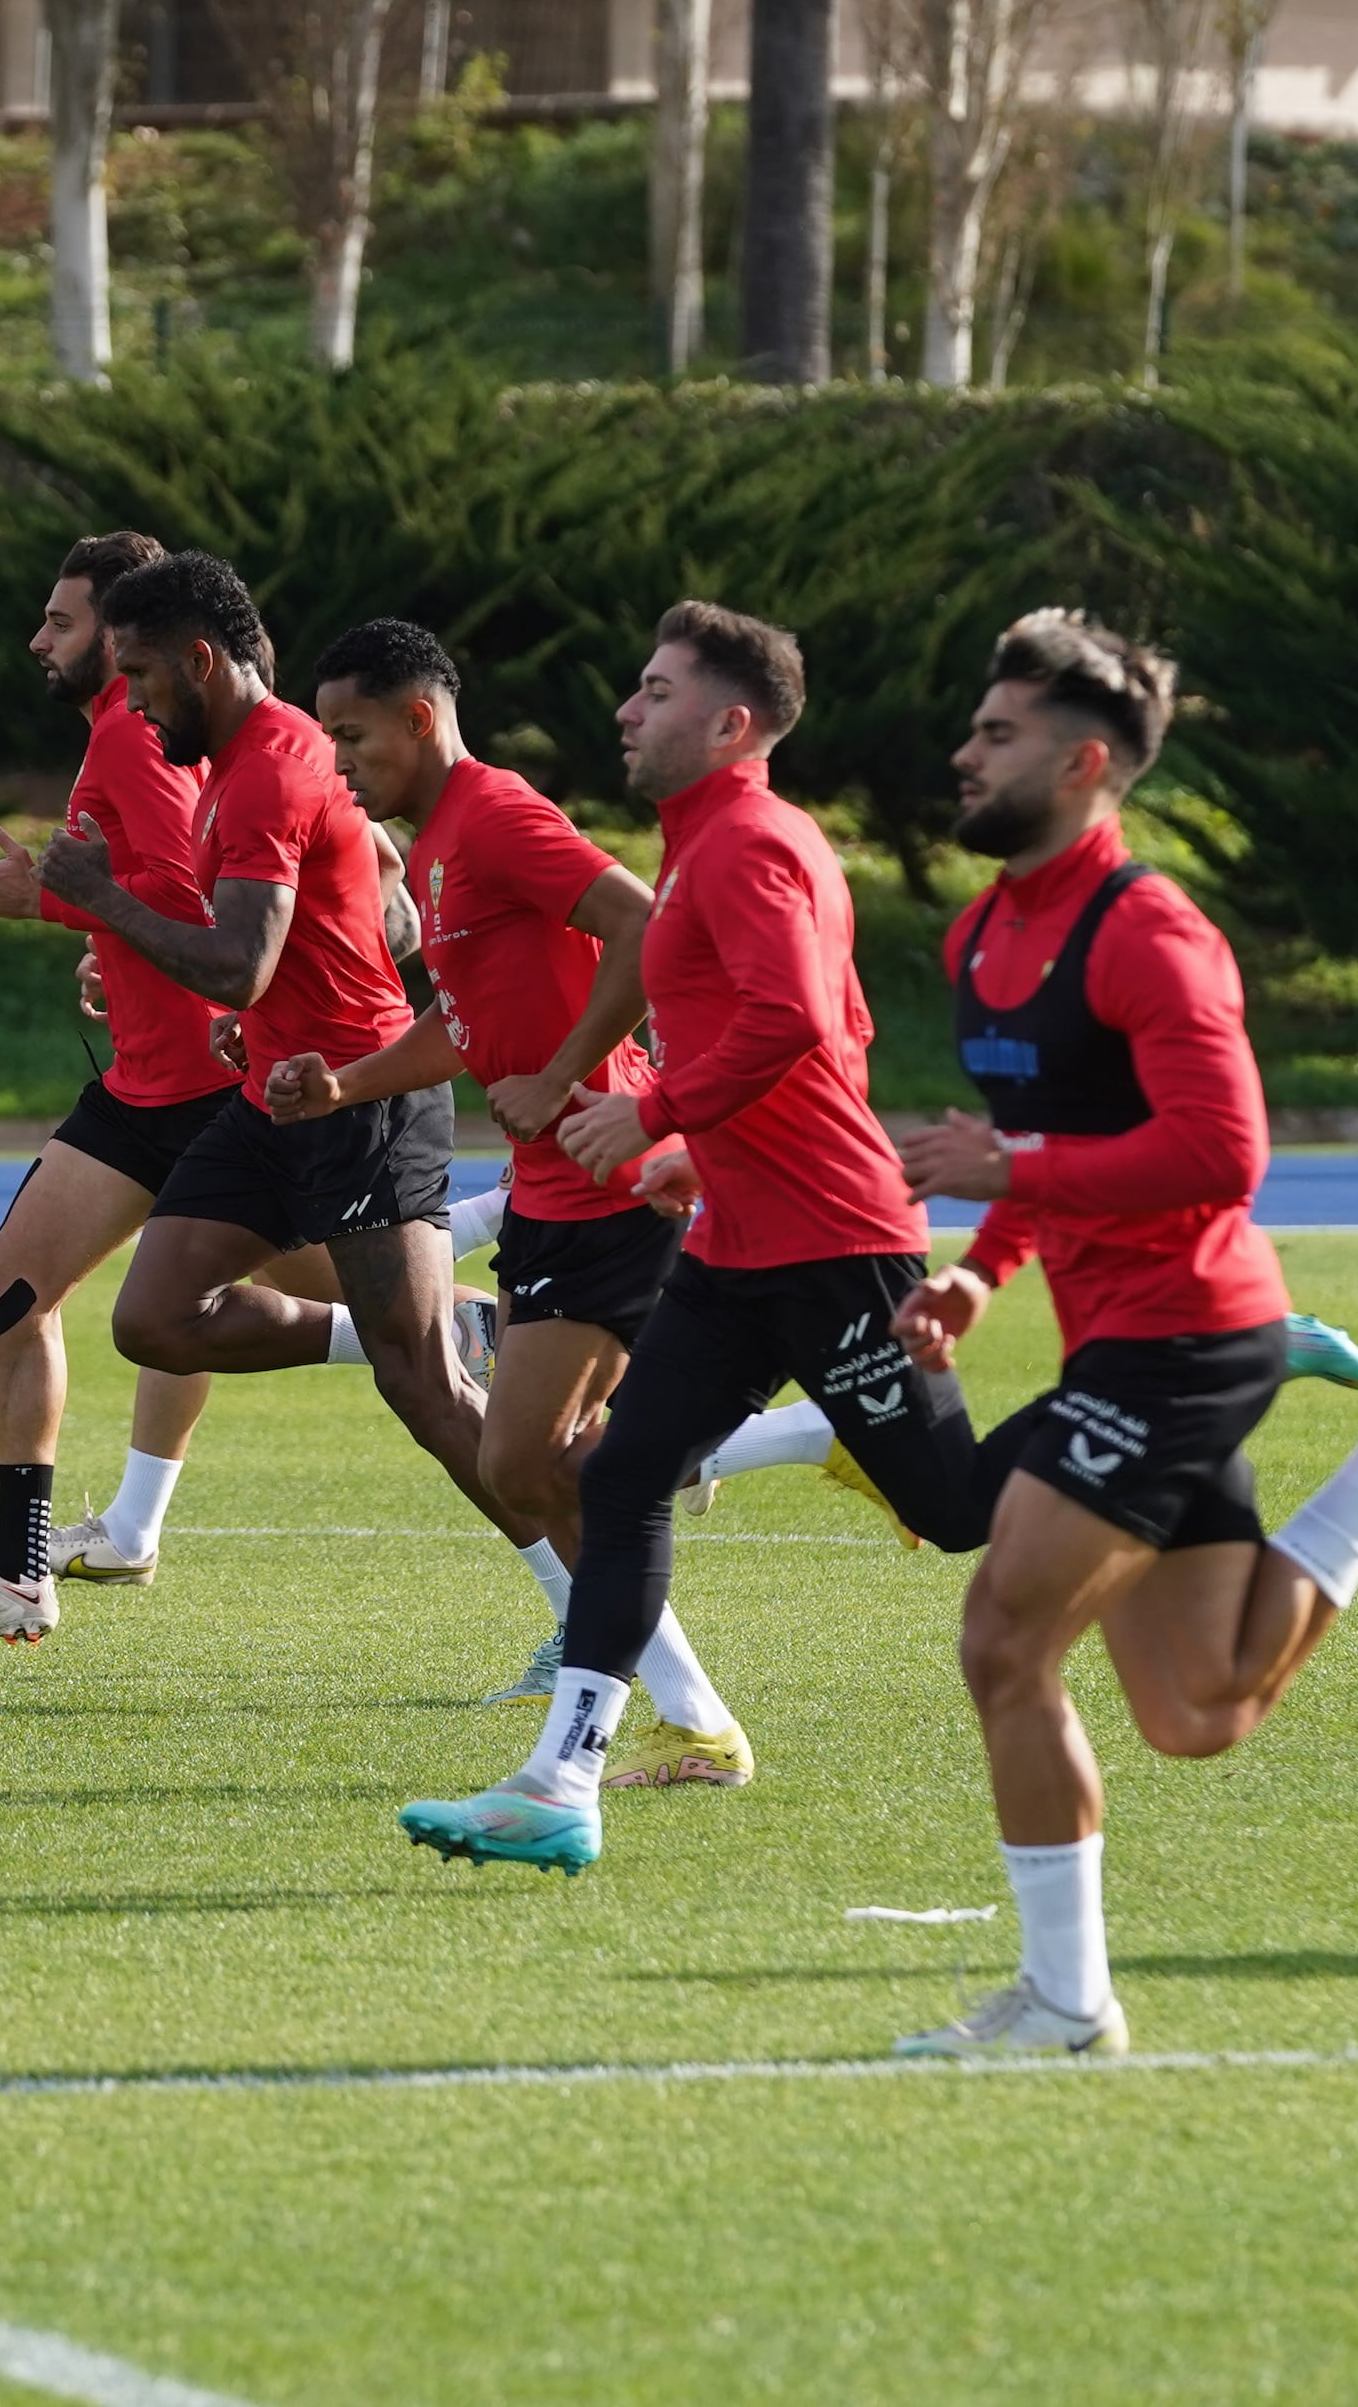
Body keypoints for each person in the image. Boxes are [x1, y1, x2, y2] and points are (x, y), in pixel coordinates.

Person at [879, 613, 1358, 2058]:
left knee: (1001, 1639)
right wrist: (985, 1271)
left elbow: (1222, 1151)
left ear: (1087, 764)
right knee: (1198, 1709)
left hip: (1192, 1338)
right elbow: (1041, 1136)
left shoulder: (1150, 931)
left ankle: (1067, 2005)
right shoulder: (980, 930)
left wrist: (1009, 1181)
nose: (966, 751)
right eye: (975, 726)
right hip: (1121, 1341)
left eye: (1000, 732)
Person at [394, 602, 990, 1873]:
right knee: (613, 1478)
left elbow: (791, 1020)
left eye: (656, 692)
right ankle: (563, 1782)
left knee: (958, 1511)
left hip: (833, 1243)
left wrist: (650, 1106)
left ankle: (1191, 1380)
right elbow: (836, 1028)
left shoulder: (750, 846)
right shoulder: (709, 846)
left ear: (729, 723)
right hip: (735, 1244)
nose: (626, 707)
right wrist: (690, 1151)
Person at [248, 622, 748, 1756]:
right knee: (541, 1460)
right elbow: (461, 1024)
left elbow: (644, 922)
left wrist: (567, 1073)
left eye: (350, 734)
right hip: (546, 1194)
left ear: (419, 719)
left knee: (524, 1460)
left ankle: (664, 1699)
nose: (334, 760)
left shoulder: (498, 815)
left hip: (606, 1181)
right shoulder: (426, 845)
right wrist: (344, 1087)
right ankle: (684, 1711)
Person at [0, 534, 362, 1645]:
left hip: (201, 1081)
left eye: (59, 623)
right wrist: (105, 940)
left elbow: (210, 918)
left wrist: (50, 904)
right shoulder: (123, 734)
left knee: (381, 1304)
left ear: (121, 636)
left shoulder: (137, 743)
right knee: (12, 1289)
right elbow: (164, 893)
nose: (36, 640)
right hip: (144, 1085)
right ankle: (18, 1571)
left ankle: (526, 1343)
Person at [18, 553, 523, 1603]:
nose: (138, 704)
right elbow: (329, 923)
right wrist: (230, 1005)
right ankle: (428, 1313)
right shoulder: (238, 758)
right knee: (150, 1316)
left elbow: (240, 957)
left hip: (356, 1101)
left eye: (145, 678)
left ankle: (602, 1615)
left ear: (198, 662)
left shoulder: (266, 768)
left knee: (424, 1391)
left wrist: (95, 901)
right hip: (272, 1096)